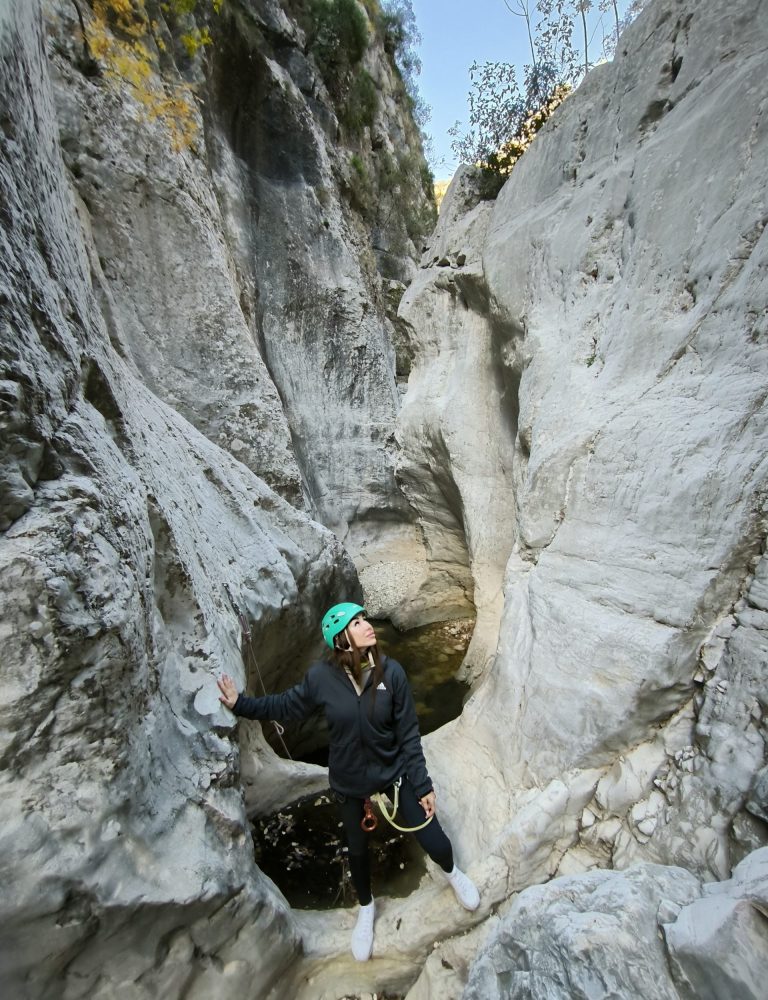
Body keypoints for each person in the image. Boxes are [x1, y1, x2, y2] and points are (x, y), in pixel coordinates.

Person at [217, 601, 480, 961]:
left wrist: (423, 785)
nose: (367, 625)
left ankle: (453, 873)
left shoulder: (393, 674)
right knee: (357, 852)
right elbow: (285, 706)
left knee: (433, 837)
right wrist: (241, 704)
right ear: (340, 638)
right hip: (349, 781)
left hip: (394, 773)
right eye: (356, 623)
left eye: (364, 619)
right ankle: (367, 908)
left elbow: (408, 735)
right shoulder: (320, 679)